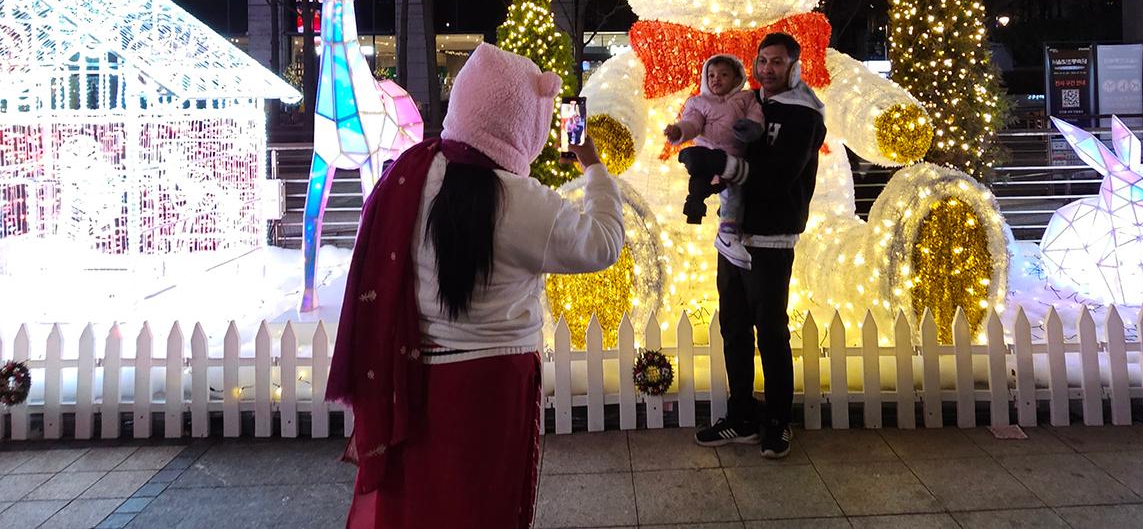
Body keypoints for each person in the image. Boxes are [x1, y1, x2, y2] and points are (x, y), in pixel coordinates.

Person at [328, 43, 625, 528]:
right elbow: (603, 243)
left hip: (418, 380)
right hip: (494, 385)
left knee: (425, 500)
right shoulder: (524, 201)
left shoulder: (411, 173)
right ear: (522, 123)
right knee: (488, 502)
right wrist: (591, 164)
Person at [685, 33, 826, 459]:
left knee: (770, 332)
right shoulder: (750, 101)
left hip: (771, 235)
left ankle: (779, 421)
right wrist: (707, 176)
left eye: (777, 62)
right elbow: (729, 141)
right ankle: (742, 417)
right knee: (733, 329)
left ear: (794, 66)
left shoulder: (804, 115)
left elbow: (779, 176)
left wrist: (722, 165)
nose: (767, 69)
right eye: (762, 61)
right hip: (732, 234)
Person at [663, 54, 764, 269]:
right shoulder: (700, 102)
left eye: (723, 75)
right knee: (700, 182)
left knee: (733, 194)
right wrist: (678, 130)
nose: (716, 79)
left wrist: (752, 128)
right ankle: (694, 205)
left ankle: (728, 232)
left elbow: (756, 116)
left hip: (734, 157)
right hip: (707, 156)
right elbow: (692, 122)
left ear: (736, 78)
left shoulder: (745, 99)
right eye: (711, 75)